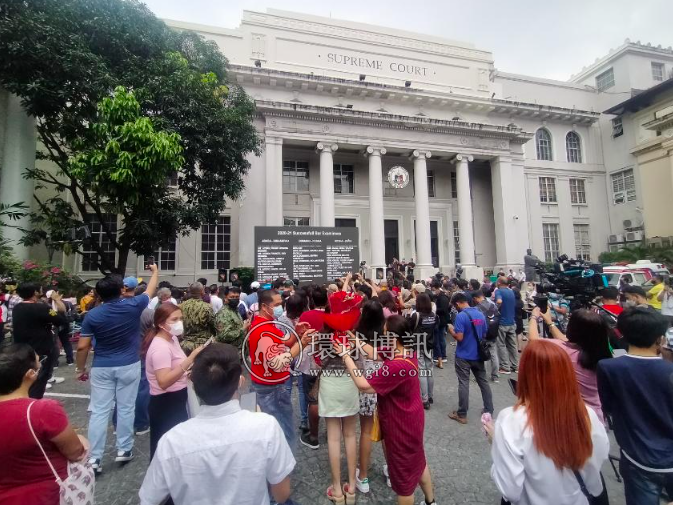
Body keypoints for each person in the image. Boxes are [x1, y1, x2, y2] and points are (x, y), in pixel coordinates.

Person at [138, 343, 296, 505]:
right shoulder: (266, 426)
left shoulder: (170, 442)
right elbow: (281, 495)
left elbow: (149, 498)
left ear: (193, 384)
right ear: (239, 381)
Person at [488, 340, 610, 505]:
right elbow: (596, 471)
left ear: (525, 374)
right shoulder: (587, 414)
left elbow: (510, 491)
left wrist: (496, 442)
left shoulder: (510, 420)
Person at [337, 315, 437, 505]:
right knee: (418, 461)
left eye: (384, 334)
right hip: (412, 419)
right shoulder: (405, 351)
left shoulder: (395, 365)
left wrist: (345, 356)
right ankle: (431, 502)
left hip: (401, 427)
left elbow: (363, 385)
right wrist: (353, 338)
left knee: (404, 484)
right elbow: (373, 353)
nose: (382, 337)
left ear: (393, 337)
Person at [75, 265, 159, 474]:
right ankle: (124, 449)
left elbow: (83, 346)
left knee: (100, 411)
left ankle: (94, 458)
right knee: (126, 407)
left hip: (102, 366)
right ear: (121, 290)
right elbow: (150, 291)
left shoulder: (92, 315)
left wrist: (80, 368)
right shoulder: (133, 306)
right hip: (129, 364)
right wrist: (155, 271)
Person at [597, 307, 673, 504]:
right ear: (660, 338)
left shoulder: (609, 367)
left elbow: (608, 406)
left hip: (636, 456)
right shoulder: (668, 370)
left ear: (621, 333)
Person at [0, 344, 89, 505]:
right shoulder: (43, 411)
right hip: (47, 495)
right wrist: (82, 440)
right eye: (38, 361)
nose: (41, 365)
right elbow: (76, 451)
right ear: (30, 374)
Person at [247, 289, 312, 452]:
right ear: (264, 306)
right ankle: (282, 469)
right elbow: (279, 361)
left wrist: (296, 334)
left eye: (280, 304)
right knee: (281, 431)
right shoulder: (262, 328)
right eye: (275, 305)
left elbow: (283, 343)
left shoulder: (269, 323)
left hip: (272, 385)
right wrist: (302, 344)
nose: (279, 308)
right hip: (270, 389)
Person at [318, 289, 363, 504]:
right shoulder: (354, 336)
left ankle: (337, 490)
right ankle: (352, 489)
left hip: (329, 384)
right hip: (349, 383)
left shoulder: (323, 336)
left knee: (333, 437)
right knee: (350, 435)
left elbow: (317, 362)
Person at [529, 307, 612, 423]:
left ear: (572, 328)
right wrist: (550, 323)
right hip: (595, 416)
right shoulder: (603, 354)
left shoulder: (564, 350)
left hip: (574, 417)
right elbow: (564, 339)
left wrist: (533, 317)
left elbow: (534, 341)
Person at [142, 303, 204, 458]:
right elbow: (163, 381)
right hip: (165, 403)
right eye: (174, 319)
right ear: (161, 324)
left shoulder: (172, 339)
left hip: (177, 397)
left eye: (181, 319)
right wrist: (190, 359)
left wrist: (186, 372)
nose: (179, 323)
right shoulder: (160, 347)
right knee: (165, 449)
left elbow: (175, 368)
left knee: (177, 446)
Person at [350, 299, 385, 494]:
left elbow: (354, 360)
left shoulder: (357, 336)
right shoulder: (388, 337)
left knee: (365, 431)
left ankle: (363, 477)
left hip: (366, 388)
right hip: (386, 389)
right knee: (387, 433)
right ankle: (392, 472)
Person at [12, 282, 67, 398]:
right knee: (40, 378)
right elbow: (60, 319)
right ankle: (34, 403)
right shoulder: (42, 308)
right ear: (35, 292)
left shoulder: (17, 308)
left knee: (25, 377)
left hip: (22, 348)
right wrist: (57, 300)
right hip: (41, 348)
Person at [447, 293, 494, 424]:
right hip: (478, 355)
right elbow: (484, 333)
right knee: (483, 382)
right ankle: (489, 409)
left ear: (457, 304)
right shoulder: (480, 314)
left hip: (464, 355)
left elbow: (459, 337)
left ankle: (462, 414)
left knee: (463, 383)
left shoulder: (461, 316)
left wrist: (451, 331)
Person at [408, 292, 436, 409]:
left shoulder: (416, 315)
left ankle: (424, 399)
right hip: (429, 344)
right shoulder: (433, 315)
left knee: (422, 371)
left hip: (418, 345)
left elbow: (409, 328)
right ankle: (430, 396)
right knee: (429, 370)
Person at [179, 282, 216, 354]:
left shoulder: (182, 306)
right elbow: (213, 325)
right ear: (202, 291)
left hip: (186, 343)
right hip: (203, 345)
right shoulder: (207, 307)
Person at [473, 290, 500, 382]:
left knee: (482, 354)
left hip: (483, 334)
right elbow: (497, 317)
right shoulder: (493, 305)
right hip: (493, 334)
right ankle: (495, 376)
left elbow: (476, 322)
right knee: (493, 354)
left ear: (476, 298)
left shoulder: (477, 308)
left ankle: (482, 376)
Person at [495, 277, 518, 375]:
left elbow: (499, 301)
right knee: (512, 345)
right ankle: (515, 366)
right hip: (512, 322)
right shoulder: (511, 291)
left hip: (502, 322)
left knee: (501, 344)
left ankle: (505, 367)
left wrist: (495, 309)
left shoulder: (499, 291)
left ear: (499, 282)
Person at [431, 281, 450, 369]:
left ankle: (439, 356)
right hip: (442, 320)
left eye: (434, 289)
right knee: (441, 338)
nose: (433, 291)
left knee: (439, 338)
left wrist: (434, 309)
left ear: (437, 288)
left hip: (440, 321)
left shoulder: (442, 298)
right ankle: (442, 355)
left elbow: (443, 309)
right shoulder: (442, 296)